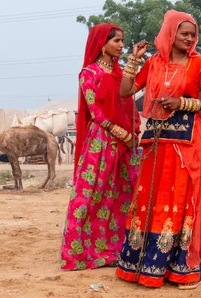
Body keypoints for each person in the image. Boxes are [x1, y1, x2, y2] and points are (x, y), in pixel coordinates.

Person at [115, 10, 201, 289]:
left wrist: (182, 103)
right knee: (151, 198)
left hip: (187, 145)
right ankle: (142, 266)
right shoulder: (154, 64)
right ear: (171, 34)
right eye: (184, 33)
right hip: (155, 143)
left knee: (181, 201)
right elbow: (126, 91)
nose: (189, 39)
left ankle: (181, 269)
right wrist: (134, 60)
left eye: (192, 35)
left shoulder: (200, 65)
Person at [60, 24, 145, 270]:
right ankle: (79, 253)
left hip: (127, 143)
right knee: (90, 195)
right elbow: (95, 111)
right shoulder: (89, 73)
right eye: (116, 41)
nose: (120, 45)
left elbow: (129, 103)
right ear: (102, 43)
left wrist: (133, 133)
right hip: (103, 141)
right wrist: (121, 134)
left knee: (125, 194)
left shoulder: (121, 73)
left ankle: (118, 249)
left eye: (122, 41)